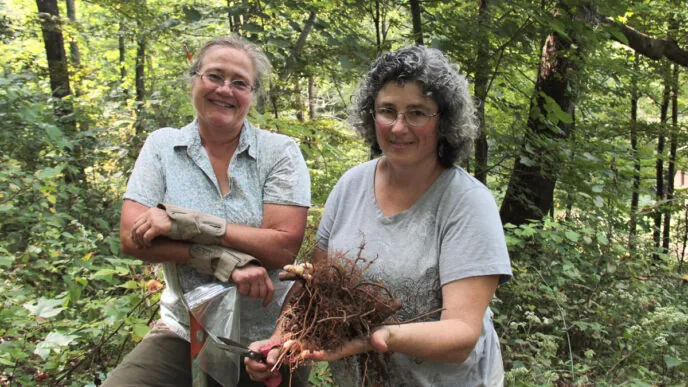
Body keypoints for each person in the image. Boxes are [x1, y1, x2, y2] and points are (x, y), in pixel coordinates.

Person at [246, 45, 512, 386]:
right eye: (387, 110)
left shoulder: (467, 202)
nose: (399, 127)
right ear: (371, 116)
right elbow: (315, 288)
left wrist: (382, 336)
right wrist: (278, 342)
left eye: (417, 113)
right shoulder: (351, 184)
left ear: (443, 120)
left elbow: (462, 335)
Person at [103, 36, 311, 387]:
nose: (224, 90)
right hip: (185, 330)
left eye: (240, 83)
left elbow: (281, 247)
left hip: (266, 334)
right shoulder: (163, 147)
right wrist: (220, 260)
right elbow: (131, 238)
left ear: (253, 94)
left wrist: (186, 222)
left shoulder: (279, 152)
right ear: (194, 80)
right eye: (214, 76)